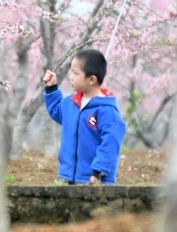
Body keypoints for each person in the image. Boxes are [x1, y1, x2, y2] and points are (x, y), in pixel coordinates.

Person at [43, 49, 126, 185]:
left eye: (75, 73)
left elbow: (110, 144)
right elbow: (57, 112)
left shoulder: (106, 111)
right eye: (71, 71)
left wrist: (98, 171)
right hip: (68, 178)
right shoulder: (70, 102)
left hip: (94, 180)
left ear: (92, 79)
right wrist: (51, 89)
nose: (70, 76)